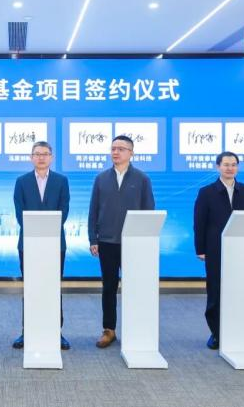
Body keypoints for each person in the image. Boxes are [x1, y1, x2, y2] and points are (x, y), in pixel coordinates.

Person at [88, 135, 155, 348]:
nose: (116, 152)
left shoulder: (142, 179)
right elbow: (93, 210)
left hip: (133, 242)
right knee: (108, 287)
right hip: (107, 242)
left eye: (121, 149)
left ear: (131, 153)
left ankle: (136, 329)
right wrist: (93, 238)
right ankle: (109, 330)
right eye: (113, 148)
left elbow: (149, 211)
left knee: (135, 286)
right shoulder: (101, 178)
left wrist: (145, 240)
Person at [194, 151, 244, 350]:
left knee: (238, 289)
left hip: (241, 249)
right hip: (215, 248)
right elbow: (199, 223)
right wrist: (200, 249)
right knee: (216, 290)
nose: (230, 168)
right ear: (218, 167)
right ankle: (216, 333)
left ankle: (237, 331)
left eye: (234, 164)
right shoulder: (206, 192)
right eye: (226, 164)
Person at [12, 141, 71, 350]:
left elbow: (64, 209)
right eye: (37, 154)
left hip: (55, 243)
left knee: (53, 288)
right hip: (28, 243)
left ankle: (56, 331)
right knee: (30, 287)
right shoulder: (21, 181)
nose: (41, 157)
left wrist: (48, 229)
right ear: (31, 158)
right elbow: (19, 212)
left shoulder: (61, 181)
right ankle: (27, 330)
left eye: (45, 154)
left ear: (51, 158)